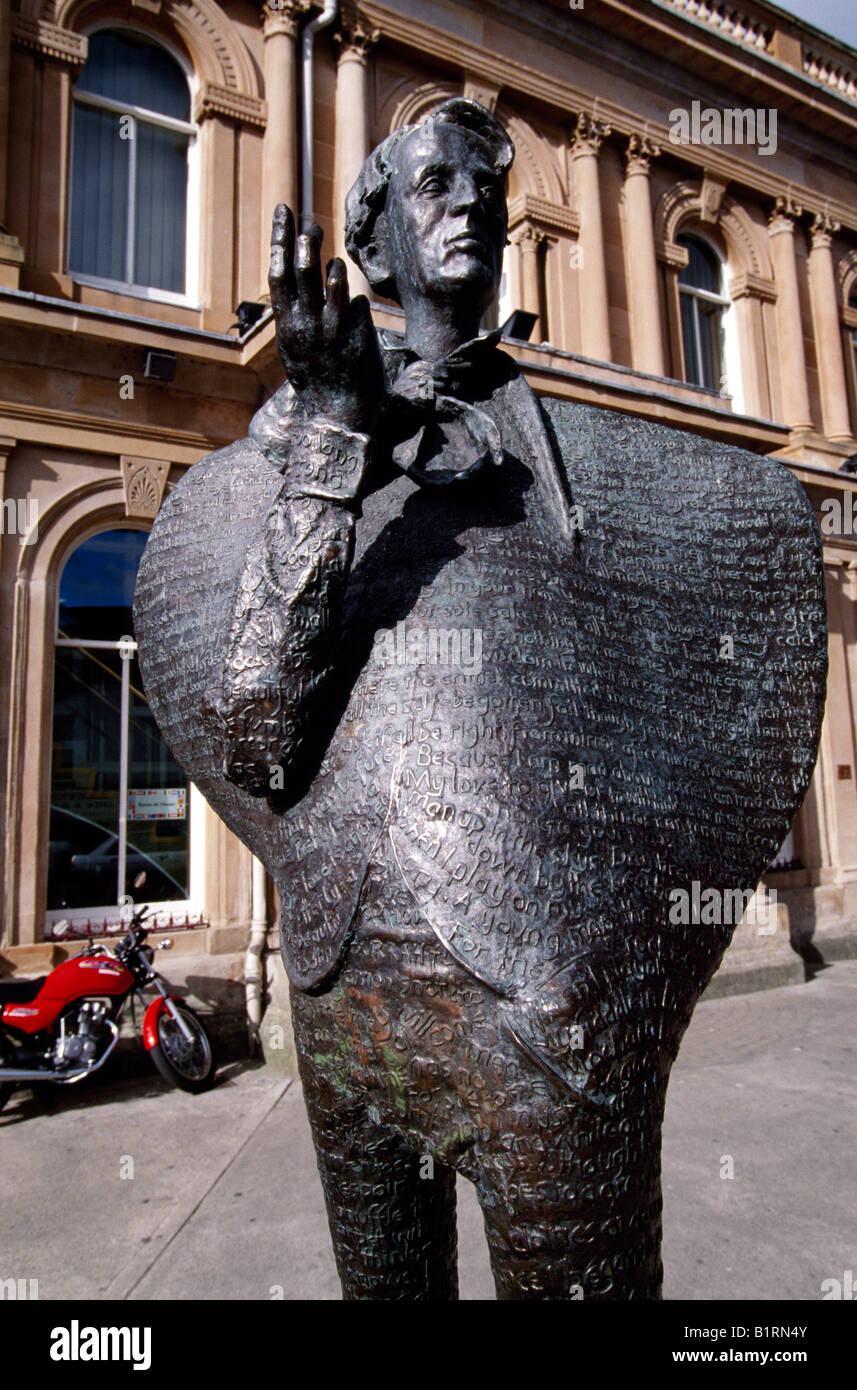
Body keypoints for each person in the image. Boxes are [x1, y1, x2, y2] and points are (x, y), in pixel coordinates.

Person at [134, 99, 826, 1299]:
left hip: (549, 1009)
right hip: (345, 993)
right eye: (432, 184)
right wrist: (336, 439)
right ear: (375, 236)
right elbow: (257, 727)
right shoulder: (291, 445)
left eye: (484, 184)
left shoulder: (594, 465)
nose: (468, 202)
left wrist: (624, 949)